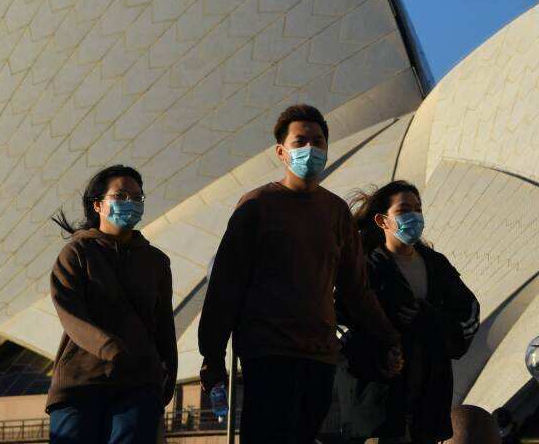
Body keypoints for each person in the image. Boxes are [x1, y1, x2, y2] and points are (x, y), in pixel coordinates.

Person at [198, 104, 405, 443]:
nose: (310, 149)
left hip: (319, 354)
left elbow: (356, 288)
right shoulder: (257, 206)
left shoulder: (335, 211)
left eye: (318, 141)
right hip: (268, 352)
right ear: (281, 152)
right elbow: (225, 285)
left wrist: (388, 337)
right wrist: (212, 354)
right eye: (300, 142)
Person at [335, 180, 481, 444]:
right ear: (382, 221)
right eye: (404, 210)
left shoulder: (437, 266)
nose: (414, 216)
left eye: (418, 208)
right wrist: (377, 356)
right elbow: (336, 326)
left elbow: (469, 315)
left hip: (427, 402)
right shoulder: (364, 268)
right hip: (377, 407)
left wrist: (428, 318)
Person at [45, 165, 176, 444]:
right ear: (98, 205)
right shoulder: (76, 253)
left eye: (137, 198)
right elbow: (70, 312)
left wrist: (168, 373)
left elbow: (163, 322)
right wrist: (110, 348)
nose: (130, 203)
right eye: (120, 196)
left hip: (138, 382)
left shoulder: (156, 262)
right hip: (80, 382)